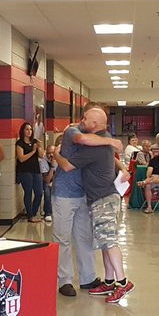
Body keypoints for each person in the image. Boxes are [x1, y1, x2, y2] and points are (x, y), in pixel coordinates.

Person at [58, 105, 133, 304]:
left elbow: (66, 165)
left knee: (109, 242)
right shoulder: (103, 138)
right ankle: (109, 281)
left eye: (85, 119)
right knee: (104, 242)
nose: (81, 121)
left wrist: (54, 153)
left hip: (102, 199)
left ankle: (122, 282)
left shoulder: (95, 146)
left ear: (94, 124)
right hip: (103, 198)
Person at [52, 126, 103, 298]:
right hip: (64, 194)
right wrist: (111, 141)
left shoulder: (93, 139)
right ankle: (65, 281)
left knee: (85, 237)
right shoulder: (72, 132)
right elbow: (79, 142)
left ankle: (88, 278)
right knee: (63, 238)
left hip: (83, 193)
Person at [16, 122, 43, 222]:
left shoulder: (35, 141)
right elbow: (21, 158)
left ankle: (33, 212)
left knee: (39, 192)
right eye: (27, 129)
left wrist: (39, 147)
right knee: (28, 192)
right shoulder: (20, 143)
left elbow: (41, 155)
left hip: (36, 170)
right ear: (23, 131)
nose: (29, 131)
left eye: (30, 129)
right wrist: (32, 151)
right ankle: (30, 216)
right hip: (25, 170)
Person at [38, 144, 56, 222]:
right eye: (49, 153)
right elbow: (47, 180)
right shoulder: (43, 161)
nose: (51, 155)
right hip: (47, 180)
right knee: (47, 189)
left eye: (53, 153)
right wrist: (52, 167)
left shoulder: (60, 158)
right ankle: (47, 213)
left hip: (57, 180)